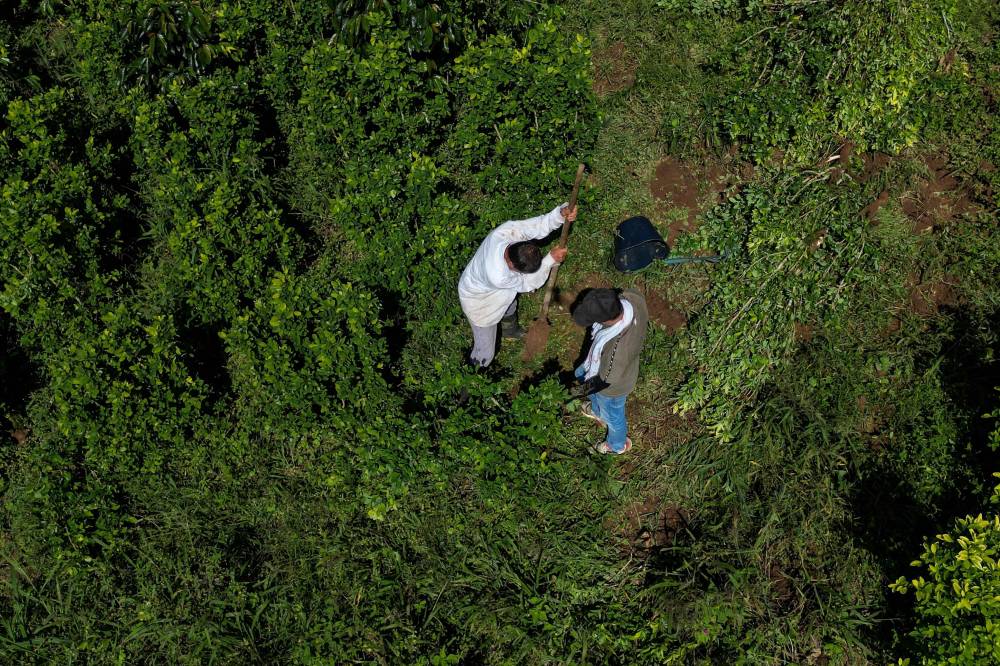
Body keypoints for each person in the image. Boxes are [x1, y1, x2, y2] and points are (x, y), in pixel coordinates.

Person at [458, 203, 576, 367]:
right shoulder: (497, 275)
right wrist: (550, 260)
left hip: (497, 290)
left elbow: (534, 226)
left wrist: (559, 215)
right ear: (512, 266)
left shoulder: (506, 233)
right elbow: (528, 284)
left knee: (510, 305)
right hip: (479, 302)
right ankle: (473, 374)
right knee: (485, 353)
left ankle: (509, 330)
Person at [569, 288, 648, 454]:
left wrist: (577, 391)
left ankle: (617, 445)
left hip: (613, 388)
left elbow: (603, 382)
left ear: (605, 320)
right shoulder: (633, 299)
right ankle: (597, 412)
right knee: (580, 373)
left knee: (613, 416)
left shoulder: (617, 351)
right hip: (616, 371)